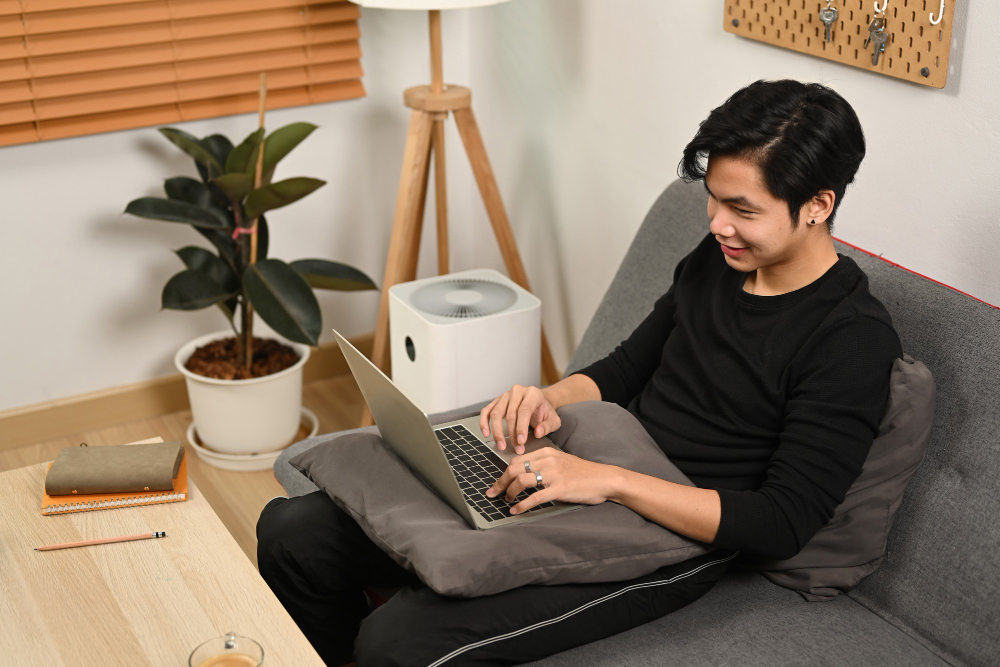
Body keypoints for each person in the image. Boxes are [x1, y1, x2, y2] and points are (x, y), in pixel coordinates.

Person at [256, 79, 902, 666]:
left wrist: (609, 482)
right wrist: (546, 399)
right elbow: (626, 367)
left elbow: (780, 523)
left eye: (743, 209)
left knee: (398, 642)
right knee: (293, 532)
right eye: (712, 201)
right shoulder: (718, 260)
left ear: (817, 205)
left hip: (676, 535)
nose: (717, 224)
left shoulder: (850, 339)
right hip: (593, 470)